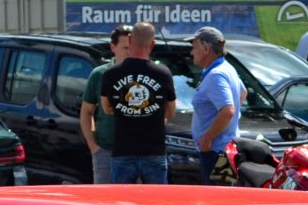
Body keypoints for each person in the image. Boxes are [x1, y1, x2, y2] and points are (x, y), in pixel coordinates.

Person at [100, 21, 176, 184]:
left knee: (121, 204)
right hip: (154, 151)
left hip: (123, 151)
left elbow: (106, 108)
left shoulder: (111, 74)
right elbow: (171, 111)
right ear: (153, 44)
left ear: (129, 39)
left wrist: (127, 110)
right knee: (156, 204)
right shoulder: (163, 73)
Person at [188, 25, 244, 183]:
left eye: (194, 47)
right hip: (224, 151)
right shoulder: (227, 68)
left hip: (216, 152)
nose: (191, 52)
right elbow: (243, 93)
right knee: (223, 197)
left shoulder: (216, 74)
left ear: (205, 49)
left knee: (217, 200)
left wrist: (207, 138)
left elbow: (227, 111)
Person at [80, 25, 132, 183]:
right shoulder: (99, 74)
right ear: (113, 47)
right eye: (125, 48)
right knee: (104, 200)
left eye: (132, 48)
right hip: (105, 151)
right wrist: (93, 146)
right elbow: (86, 111)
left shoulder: (142, 73)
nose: (129, 52)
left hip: (135, 153)